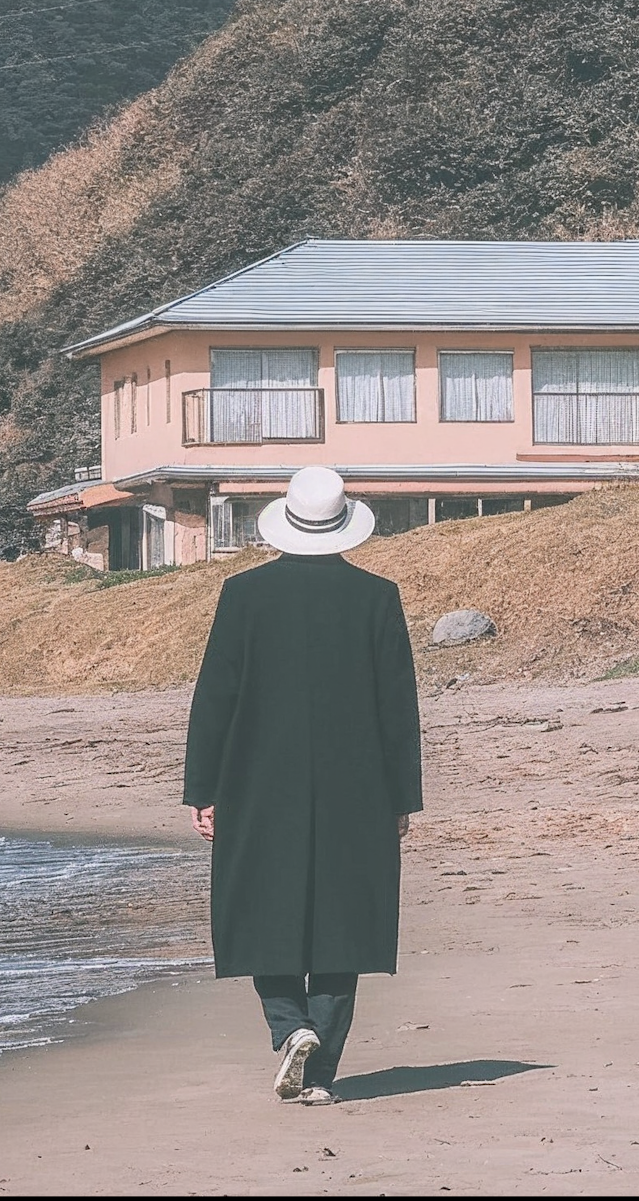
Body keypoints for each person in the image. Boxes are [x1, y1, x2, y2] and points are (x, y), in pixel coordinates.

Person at [183, 465, 423, 1106]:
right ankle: (319, 1076)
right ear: (344, 525)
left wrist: (202, 789)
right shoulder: (378, 596)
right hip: (360, 784)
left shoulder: (243, 594)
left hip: (257, 780)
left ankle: (291, 1028)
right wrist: (403, 798)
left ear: (284, 522)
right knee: (343, 922)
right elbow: (398, 707)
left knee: (264, 908)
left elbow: (215, 699)